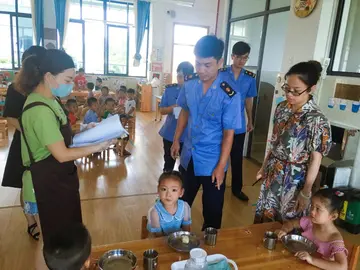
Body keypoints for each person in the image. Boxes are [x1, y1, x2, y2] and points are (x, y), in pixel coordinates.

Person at [16, 49, 114, 247]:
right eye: (68, 80)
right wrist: (98, 145)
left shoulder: (51, 100)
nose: (70, 86)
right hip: (46, 183)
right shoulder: (39, 110)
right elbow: (61, 154)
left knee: (63, 239)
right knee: (52, 244)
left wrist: (88, 131)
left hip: (57, 178)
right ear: (49, 76)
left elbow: (60, 139)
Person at [171, 35, 241, 230]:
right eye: (197, 64)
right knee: (180, 204)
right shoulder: (190, 84)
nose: (201, 70)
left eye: (207, 65)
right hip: (188, 156)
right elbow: (185, 111)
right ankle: (176, 239)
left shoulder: (230, 94)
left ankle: (210, 251)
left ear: (220, 62)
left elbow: (229, 134)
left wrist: (221, 166)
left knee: (212, 210)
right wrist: (176, 139)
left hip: (213, 161)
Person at [254, 61, 332, 224]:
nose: (289, 94)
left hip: (295, 180)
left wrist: (306, 192)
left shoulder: (316, 119)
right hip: (273, 171)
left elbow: (316, 159)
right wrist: (263, 167)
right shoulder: (282, 108)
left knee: (289, 221)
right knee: (266, 217)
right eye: (287, 89)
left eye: (296, 91)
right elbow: (274, 141)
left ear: (311, 89)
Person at [1, 45, 47, 240]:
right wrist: (29, 130)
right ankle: (30, 221)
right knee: (25, 183)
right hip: (25, 143)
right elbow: (10, 117)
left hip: (45, 141)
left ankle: (44, 217)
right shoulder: (16, 88)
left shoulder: (46, 85)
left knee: (43, 182)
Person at [220, 41, 257, 201]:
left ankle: (237, 189)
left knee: (236, 158)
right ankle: (218, 184)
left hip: (239, 124)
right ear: (232, 56)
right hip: (220, 124)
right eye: (239, 57)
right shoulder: (221, 73)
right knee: (220, 155)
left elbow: (249, 100)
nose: (242, 61)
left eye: (245, 58)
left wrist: (250, 119)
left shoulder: (249, 78)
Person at [276, 188, 348, 270]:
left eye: (318, 209)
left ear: (333, 216)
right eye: (312, 206)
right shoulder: (310, 222)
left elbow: (342, 267)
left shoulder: (334, 238)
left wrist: (312, 260)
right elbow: (291, 223)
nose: (312, 212)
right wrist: (284, 230)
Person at [159, 61, 194, 172]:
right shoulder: (170, 90)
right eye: (178, 76)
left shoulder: (196, 91)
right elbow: (162, 110)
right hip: (170, 133)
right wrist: (174, 107)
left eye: (184, 77)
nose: (180, 80)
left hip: (188, 136)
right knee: (169, 163)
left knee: (185, 167)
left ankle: (182, 187)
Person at [147, 171, 192, 237]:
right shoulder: (155, 212)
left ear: (181, 192)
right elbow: (158, 237)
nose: (168, 195)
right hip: (160, 241)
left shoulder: (185, 207)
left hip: (177, 239)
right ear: (158, 190)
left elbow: (186, 230)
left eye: (174, 190)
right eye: (164, 189)